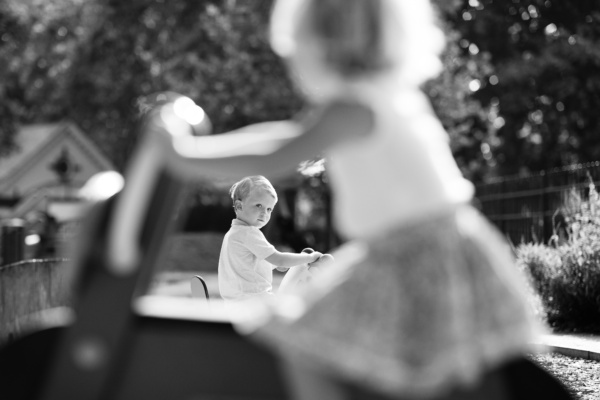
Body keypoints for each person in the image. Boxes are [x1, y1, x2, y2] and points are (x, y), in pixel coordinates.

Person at [224, 0, 548, 399]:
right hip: (444, 245)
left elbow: (278, 149)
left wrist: (182, 154)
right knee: (407, 369)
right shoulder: (392, 96)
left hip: (414, 252)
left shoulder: (352, 106)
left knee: (301, 342)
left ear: (319, 46)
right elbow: (287, 139)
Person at [218, 175, 323, 302]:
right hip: (255, 301)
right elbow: (280, 260)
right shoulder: (248, 233)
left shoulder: (233, 233)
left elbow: (247, 266)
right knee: (291, 304)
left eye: (269, 209)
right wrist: (310, 258)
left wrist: (272, 265)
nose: (264, 213)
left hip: (235, 302)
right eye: (258, 205)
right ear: (239, 206)